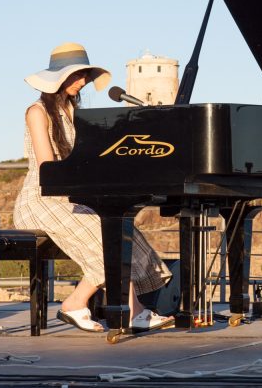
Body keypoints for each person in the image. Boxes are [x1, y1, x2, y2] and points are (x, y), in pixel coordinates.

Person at [13, 42, 173, 332]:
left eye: (85, 75)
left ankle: (91, 304)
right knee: (103, 240)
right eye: (77, 75)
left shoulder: (74, 113)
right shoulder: (37, 112)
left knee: (124, 234)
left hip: (71, 196)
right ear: (58, 78)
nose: (83, 81)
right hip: (41, 200)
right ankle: (113, 308)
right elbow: (47, 168)